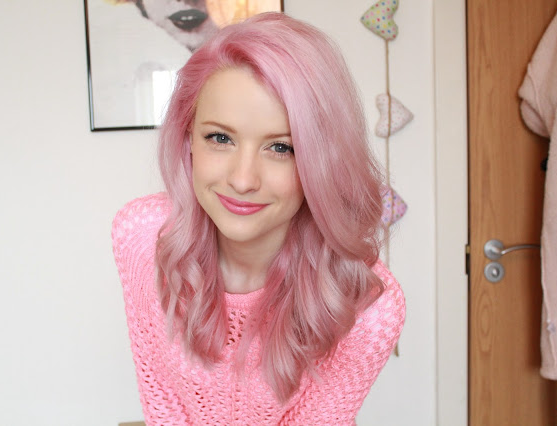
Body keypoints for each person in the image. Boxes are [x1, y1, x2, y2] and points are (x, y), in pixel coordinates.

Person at [112, 12, 405, 424]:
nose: (243, 179)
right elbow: (163, 405)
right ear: (187, 138)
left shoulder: (366, 306)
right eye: (220, 138)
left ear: (323, 161)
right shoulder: (142, 237)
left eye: (281, 148)